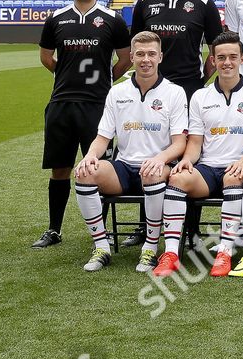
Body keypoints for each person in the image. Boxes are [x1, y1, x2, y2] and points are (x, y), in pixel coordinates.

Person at [156, 32, 243, 280]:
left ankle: (225, 252)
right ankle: (171, 254)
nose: (227, 62)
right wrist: (187, 159)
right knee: (177, 179)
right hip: (208, 168)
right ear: (213, 61)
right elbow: (195, 142)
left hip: (240, 167)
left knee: (232, 177)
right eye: (221, 58)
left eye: (232, 57)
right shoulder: (201, 96)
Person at [33, 0, 131, 250]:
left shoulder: (112, 19)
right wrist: (66, 76)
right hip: (62, 103)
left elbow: (124, 60)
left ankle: (98, 235)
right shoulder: (56, 19)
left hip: (97, 106)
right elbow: (46, 57)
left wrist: (102, 81)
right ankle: (54, 229)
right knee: (60, 168)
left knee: (97, 167)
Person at [72, 32, 188, 273]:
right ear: (132, 56)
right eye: (141, 54)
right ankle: (102, 246)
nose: (146, 59)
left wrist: (160, 158)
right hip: (123, 168)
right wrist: (91, 155)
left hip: (158, 168)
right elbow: (103, 137)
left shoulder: (174, 92)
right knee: (84, 173)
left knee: (152, 173)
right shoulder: (117, 92)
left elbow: (180, 143)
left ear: (160, 57)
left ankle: (150, 248)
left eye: (151, 54)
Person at [130, 0, 222, 94]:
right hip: (150, 86)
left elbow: (216, 52)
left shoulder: (204, 3)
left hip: (189, 87)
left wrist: (200, 80)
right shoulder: (145, 1)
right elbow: (134, 48)